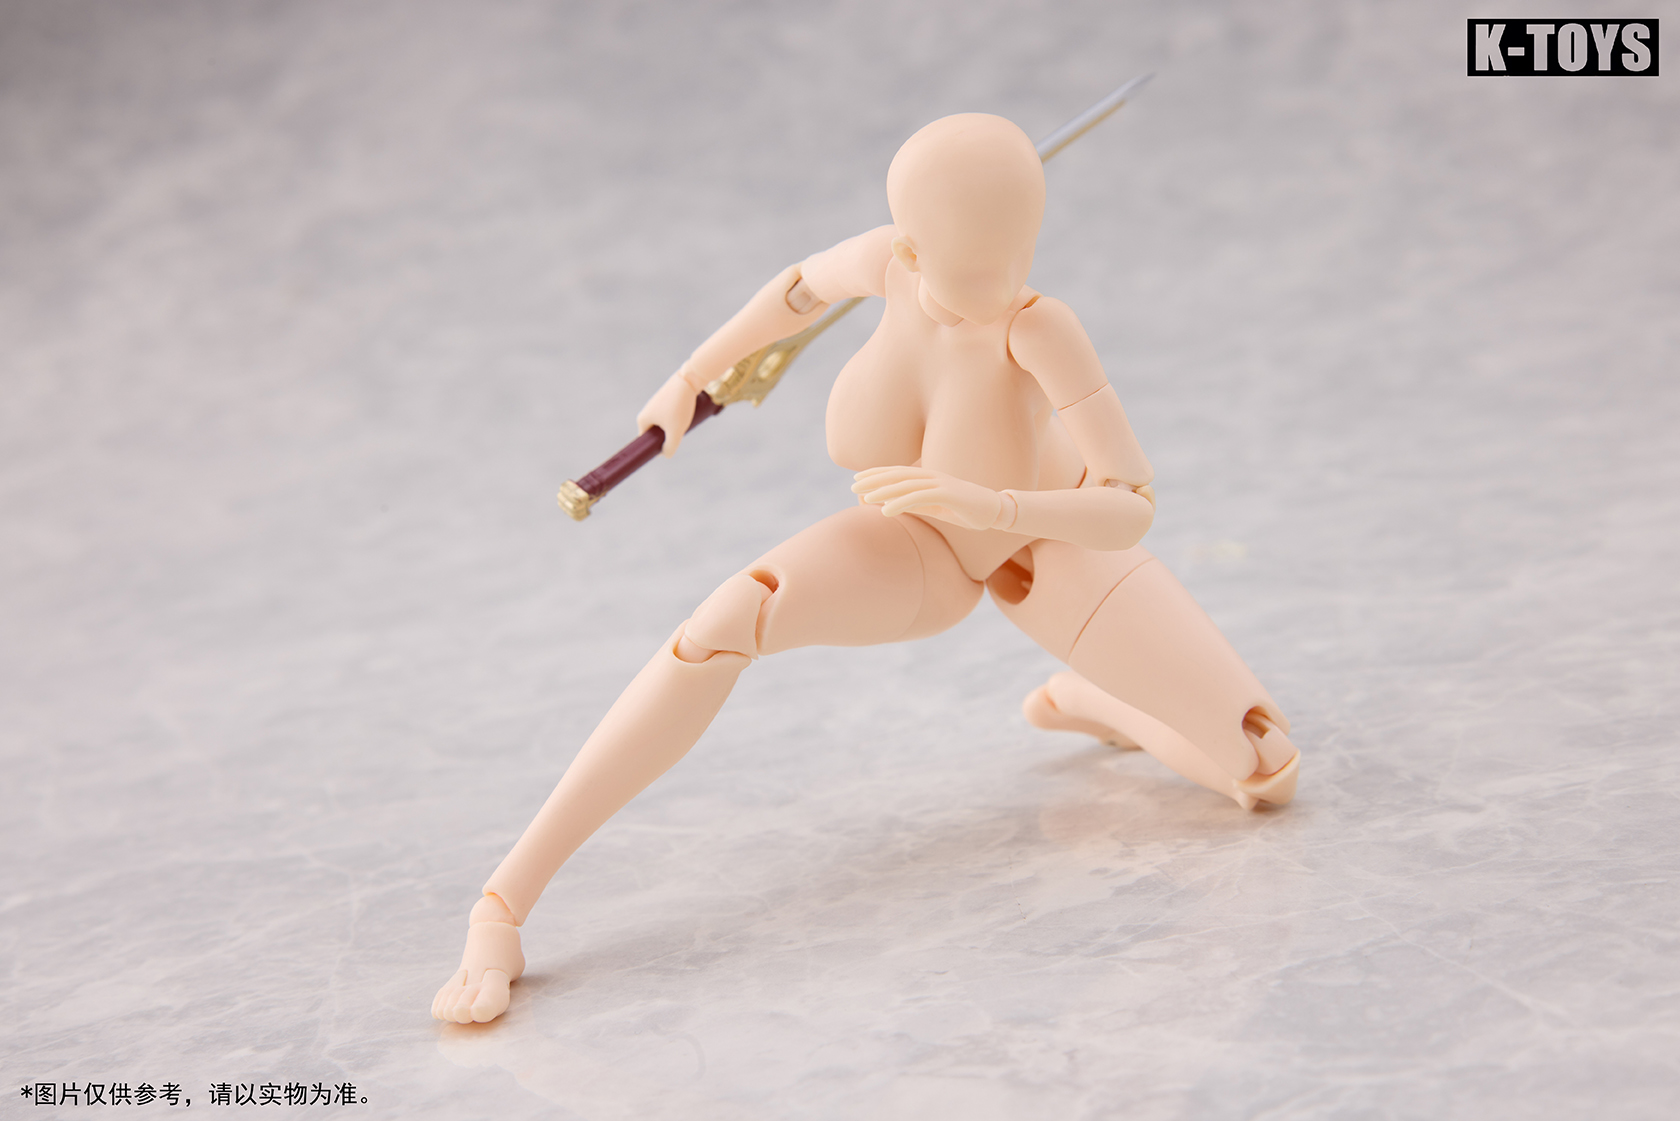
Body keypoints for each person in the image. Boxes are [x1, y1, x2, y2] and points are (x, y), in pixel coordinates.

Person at [432, 113, 1299, 1024]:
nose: (1001, 285)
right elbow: (798, 289)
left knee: (1264, 764)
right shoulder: (886, 263)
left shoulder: (1040, 327)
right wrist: (693, 375)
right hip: (918, 549)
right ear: (913, 248)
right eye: (972, 265)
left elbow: (1130, 502)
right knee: (729, 617)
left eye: (1016, 253)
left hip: (1051, 538)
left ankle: (1109, 703)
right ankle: (503, 903)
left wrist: (998, 508)